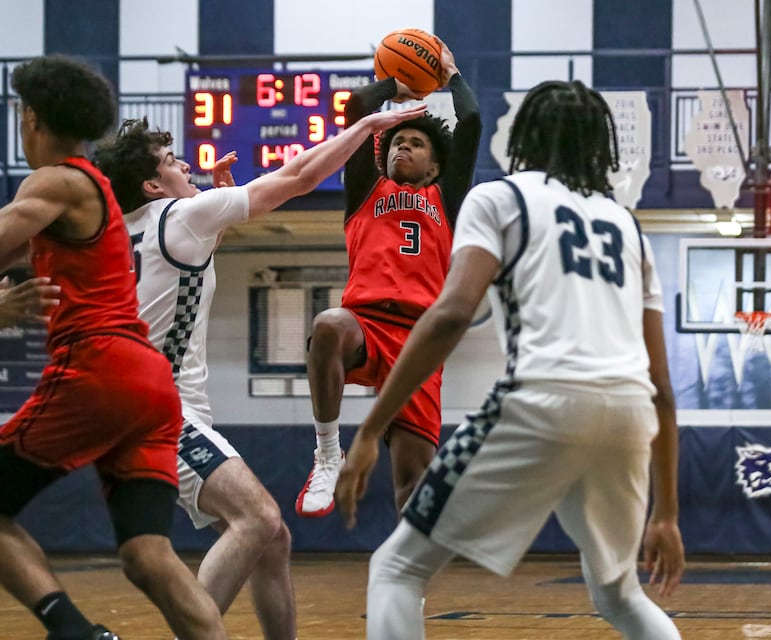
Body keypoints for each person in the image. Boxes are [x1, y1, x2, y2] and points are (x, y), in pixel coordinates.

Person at [335, 79, 685, 639]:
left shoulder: (501, 197)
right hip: (628, 415)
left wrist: (369, 432)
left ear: (522, 136)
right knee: (620, 594)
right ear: (601, 144)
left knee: (396, 569)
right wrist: (666, 514)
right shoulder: (628, 227)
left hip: (543, 400)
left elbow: (449, 317)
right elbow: (664, 387)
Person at [92, 101, 428, 639]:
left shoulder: (123, 235)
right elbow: (297, 177)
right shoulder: (179, 218)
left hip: (132, 411)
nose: (187, 169)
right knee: (260, 519)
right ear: (153, 188)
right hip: (157, 412)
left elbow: (178, 266)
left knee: (272, 542)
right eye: (175, 163)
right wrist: (364, 128)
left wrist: (216, 209)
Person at [0, 55, 228, 640]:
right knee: (147, 555)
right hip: (152, 389)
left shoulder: (56, 180)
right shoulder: (92, 194)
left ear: (32, 119)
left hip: (100, 368)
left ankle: (73, 631)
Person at [295, 37, 482, 519]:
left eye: (416, 143)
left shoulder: (448, 198)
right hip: (366, 325)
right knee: (328, 325)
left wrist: (451, 75)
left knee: (412, 486)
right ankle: (326, 454)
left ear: (435, 164)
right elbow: (356, 106)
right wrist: (394, 86)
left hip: (421, 338)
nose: (404, 147)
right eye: (398, 141)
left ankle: (409, 590)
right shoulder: (365, 189)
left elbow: (472, 121)